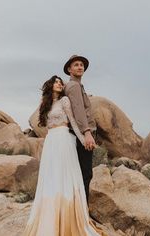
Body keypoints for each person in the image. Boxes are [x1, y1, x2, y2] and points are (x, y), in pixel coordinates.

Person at [23, 75, 107, 236]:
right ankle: (51, 214)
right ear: (50, 85)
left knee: (65, 176)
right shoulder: (45, 104)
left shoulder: (64, 101)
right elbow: (45, 124)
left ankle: (68, 213)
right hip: (51, 141)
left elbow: (74, 123)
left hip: (64, 139)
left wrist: (84, 139)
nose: (59, 84)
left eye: (61, 82)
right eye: (56, 82)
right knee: (51, 177)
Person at [64, 55, 97, 204]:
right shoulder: (74, 86)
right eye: (76, 65)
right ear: (69, 69)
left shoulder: (77, 86)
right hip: (81, 135)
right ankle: (82, 211)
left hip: (79, 134)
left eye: (82, 65)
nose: (80, 67)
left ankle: (78, 209)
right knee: (85, 173)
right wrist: (87, 133)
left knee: (81, 172)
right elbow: (78, 110)